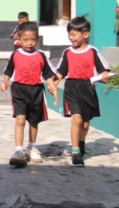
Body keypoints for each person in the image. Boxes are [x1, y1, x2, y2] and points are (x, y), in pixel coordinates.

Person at [46, 17, 112, 167]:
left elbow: (104, 71)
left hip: (88, 88)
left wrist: (107, 76)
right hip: (71, 88)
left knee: (85, 124)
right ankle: (75, 152)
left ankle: (81, 142)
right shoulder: (67, 52)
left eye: (74, 34)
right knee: (76, 119)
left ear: (86, 34)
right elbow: (61, 72)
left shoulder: (93, 51)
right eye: (69, 34)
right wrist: (53, 84)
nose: (71, 37)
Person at [0, 22, 57, 168]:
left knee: (33, 121)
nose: (30, 43)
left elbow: (48, 73)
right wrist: (4, 83)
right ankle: (18, 151)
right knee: (20, 120)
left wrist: (53, 86)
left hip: (36, 91)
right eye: (26, 40)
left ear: (37, 39)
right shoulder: (16, 54)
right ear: (19, 39)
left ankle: (31, 148)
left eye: (33, 39)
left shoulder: (41, 55)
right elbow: (8, 71)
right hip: (19, 90)